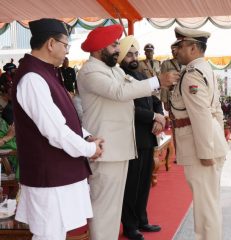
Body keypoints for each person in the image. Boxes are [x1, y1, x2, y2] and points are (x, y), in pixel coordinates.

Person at [77, 25, 179, 240]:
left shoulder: (114, 69)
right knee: (103, 207)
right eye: (114, 45)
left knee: (113, 209)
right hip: (104, 149)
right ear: (98, 49)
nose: (118, 49)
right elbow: (120, 92)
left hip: (120, 148)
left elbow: (135, 86)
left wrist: (156, 101)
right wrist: (158, 80)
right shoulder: (90, 71)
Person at [11, 18, 103, 240]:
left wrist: (87, 137)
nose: (66, 50)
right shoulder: (33, 77)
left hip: (58, 174)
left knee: (55, 234)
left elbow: (65, 118)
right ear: (51, 44)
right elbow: (54, 131)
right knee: (49, 235)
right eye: (66, 45)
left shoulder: (46, 72)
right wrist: (89, 150)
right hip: (49, 176)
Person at [169, 27, 229, 240]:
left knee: (206, 207)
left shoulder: (191, 75)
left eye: (181, 45)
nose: (177, 50)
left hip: (200, 147)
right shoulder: (205, 69)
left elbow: (201, 114)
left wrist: (206, 152)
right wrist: (217, 142)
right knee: (209, 202)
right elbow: (217, 111)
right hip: (210, 141)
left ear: (193, 47)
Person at [118, 35, 164, 240]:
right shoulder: (118, 77)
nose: (134, 57)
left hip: (148, 136)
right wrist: (153, 116)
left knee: (144, 182)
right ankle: (129, 226)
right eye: (129, 54)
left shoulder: (141, 75)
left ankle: (142, 220)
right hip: (131, 138)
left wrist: (159, 118)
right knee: (131, 184)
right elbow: (128, 109)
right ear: (120, 55)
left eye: (136, 53)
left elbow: (155, 98)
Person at [160, 43, 184, 111]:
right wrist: (165, 100)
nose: (173, 51)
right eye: (172, 50)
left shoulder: (186, 62)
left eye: (175, 50)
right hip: (171, 96)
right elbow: (164, 83)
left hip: (184, 96)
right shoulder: (166, 63)